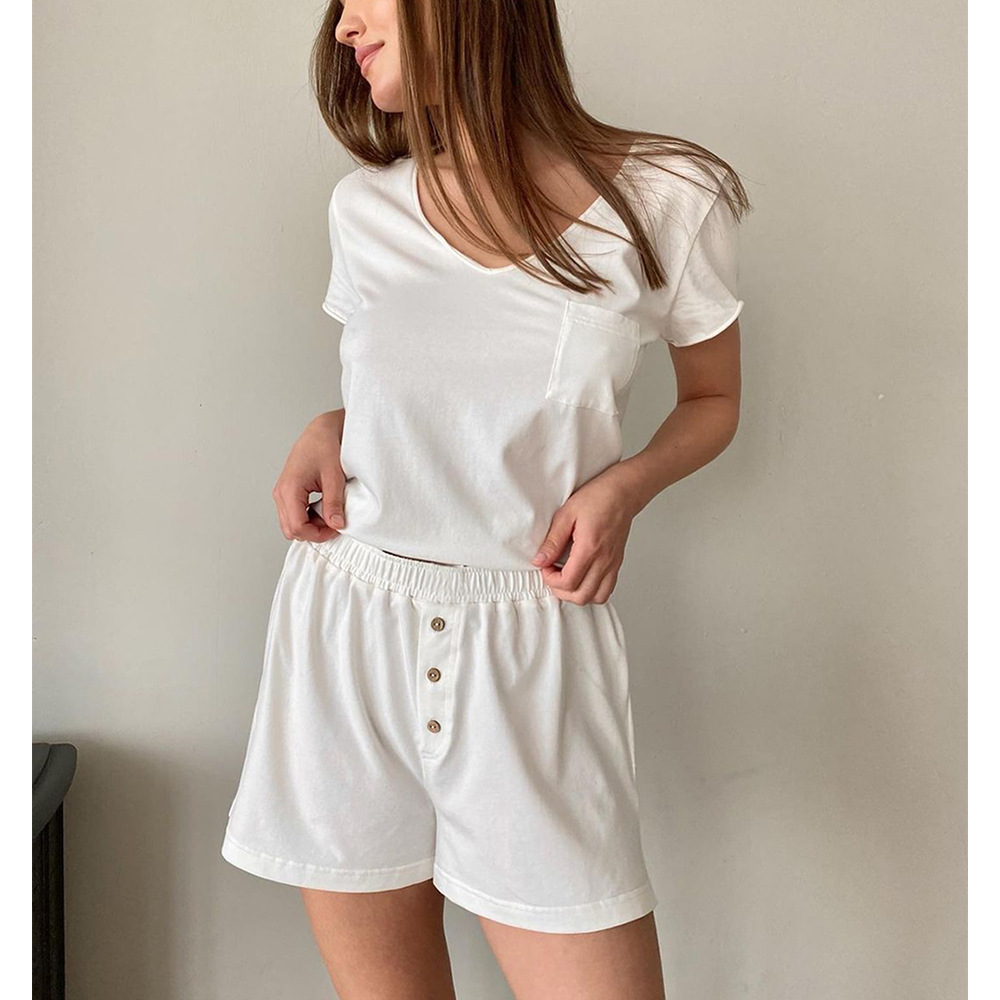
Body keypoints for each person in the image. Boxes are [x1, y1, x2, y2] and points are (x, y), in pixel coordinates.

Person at [221, 0, 751, 996]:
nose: (343, 28)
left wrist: (626, 486)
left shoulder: (668, 194)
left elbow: (713, 400)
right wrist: (331, 424)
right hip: (348, 632)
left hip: (530, 644)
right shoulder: (364, 208)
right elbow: (422, 391)